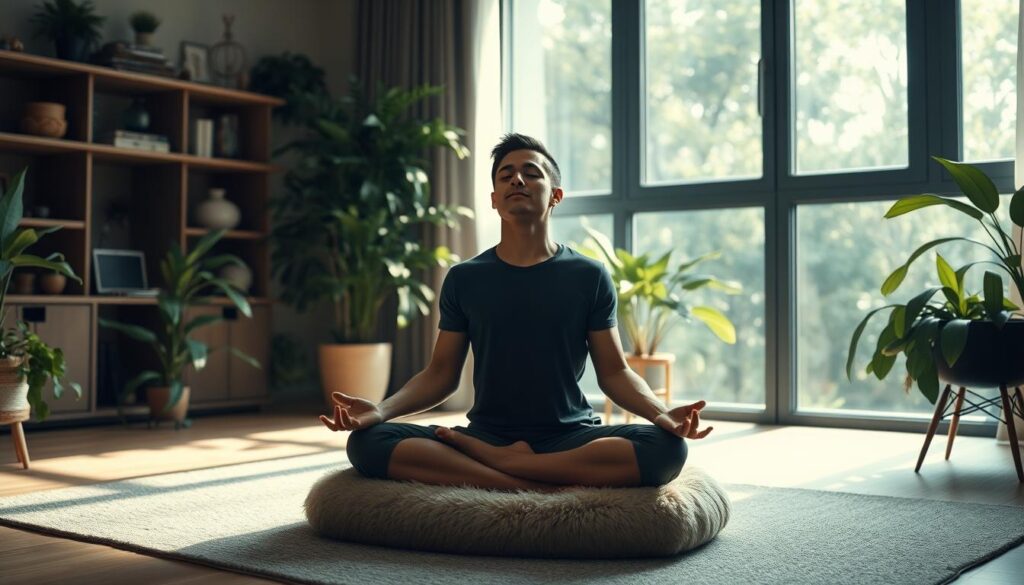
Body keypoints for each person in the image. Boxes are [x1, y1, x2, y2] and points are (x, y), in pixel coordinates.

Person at [319, 133, 713, 492]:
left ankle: (502, 470)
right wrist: (381, 409)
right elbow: (441, 375)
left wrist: (663, 415)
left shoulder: (589, 276)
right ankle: (528, 474)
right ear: (493, 198)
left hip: (569, 435)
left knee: (666, 450)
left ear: (555, 195)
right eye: (505, 175)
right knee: (368, 442)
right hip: (485, 434)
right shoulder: (464, 279)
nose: (517, 181)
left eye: (531, 173)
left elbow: (614, 372)